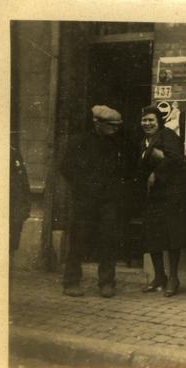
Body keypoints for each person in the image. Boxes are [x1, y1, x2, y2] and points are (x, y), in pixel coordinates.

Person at [60, 105, 135, 298]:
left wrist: (118, 188)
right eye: (111, 125)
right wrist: (83, 187)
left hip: (109, 201)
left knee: (109, 239)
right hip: (85, 200)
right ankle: (71, 282)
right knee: (78, 239)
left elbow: (127, 169)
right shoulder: (79, 142)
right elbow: (66, 168)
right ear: (97, 123)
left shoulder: (119, 144)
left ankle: (107, 282)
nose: (116, 129)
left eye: (118, 126)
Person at [137, 105, 186, 297]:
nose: (147, 124)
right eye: (144, 120)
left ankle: (173, 278)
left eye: (151, 120)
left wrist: (156, 173)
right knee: (154, 234)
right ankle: (159, 276)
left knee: (172, 235)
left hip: (173, 194)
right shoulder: (144, 141)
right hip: (155, 196)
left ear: (158, 121)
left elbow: (176, 159)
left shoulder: (167, 135)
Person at [10, 131, 31, 256]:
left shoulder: (15, 154)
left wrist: (26, 205)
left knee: (14, 232)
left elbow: (23, 182)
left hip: (15, 203)